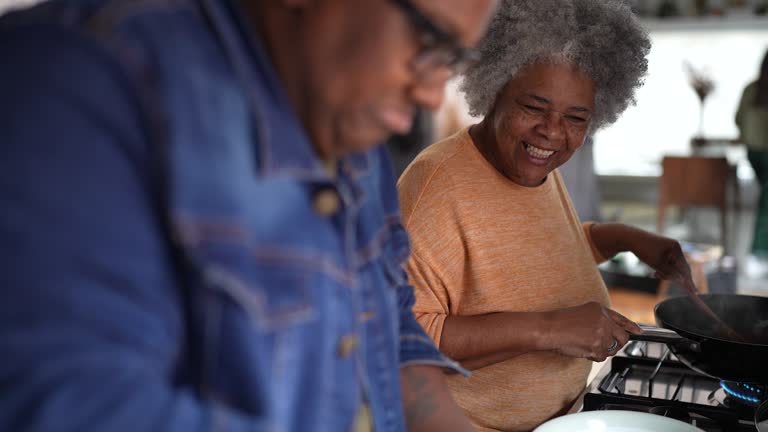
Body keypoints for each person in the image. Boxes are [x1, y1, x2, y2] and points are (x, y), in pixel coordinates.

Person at [0, 0, 499, 431]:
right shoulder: (85, 80)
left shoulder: (352, 131)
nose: (431, 96)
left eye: (453, 59)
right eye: (429, 39)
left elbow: (388, 328)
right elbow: (70, 403)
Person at [397, 1, 697, 430]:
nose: (553, 133)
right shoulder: (435, 188)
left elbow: (543, 249)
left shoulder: (533, 166)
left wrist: (627, 238)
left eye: (576, 117)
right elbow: (407, 341)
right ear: (494, 84)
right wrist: (550, 330)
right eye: (534, 108)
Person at [736, 49, 768, 272]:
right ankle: (758, 254)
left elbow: (738, 119)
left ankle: (759, 254)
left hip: (753, 152)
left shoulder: (751, 89)